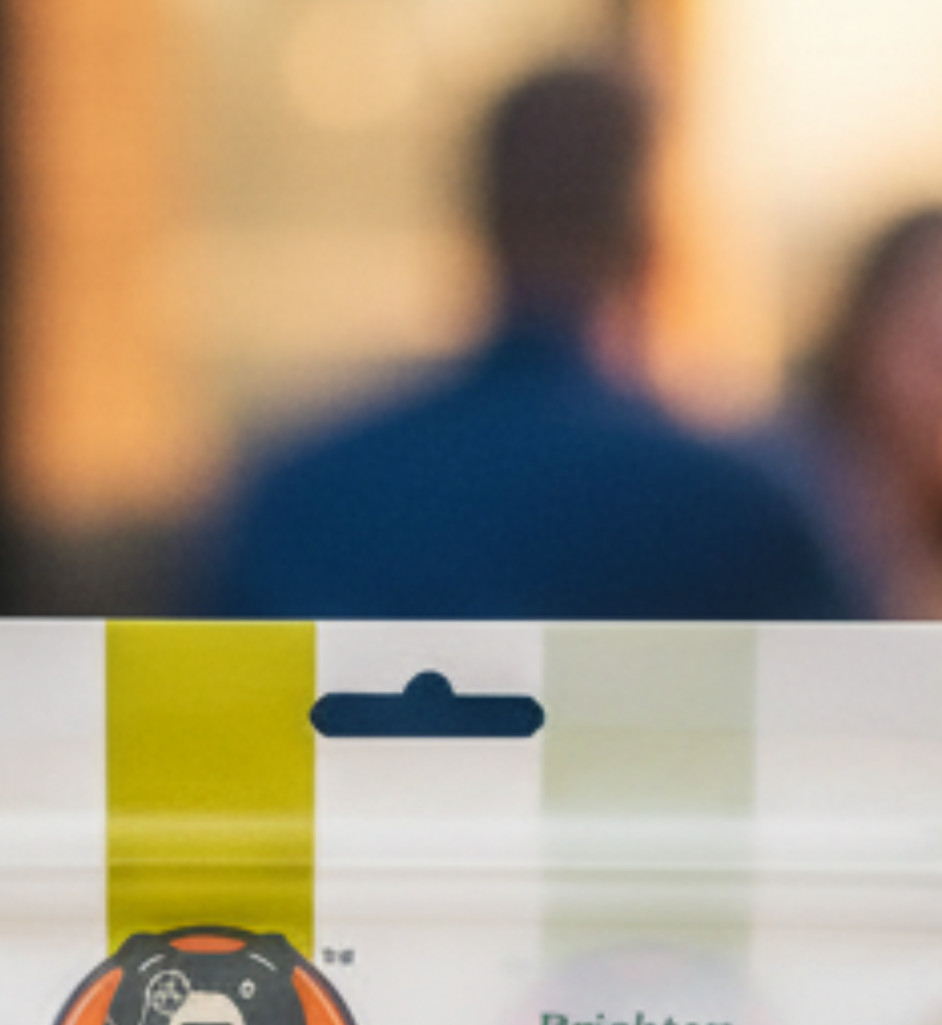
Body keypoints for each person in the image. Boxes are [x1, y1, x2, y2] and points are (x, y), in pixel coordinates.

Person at [195, 61, 867, 622]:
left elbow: (198, 757)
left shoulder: (298, 495)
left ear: (481, 218)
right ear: (666, 238)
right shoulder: (753, 506)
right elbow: (864, 759)